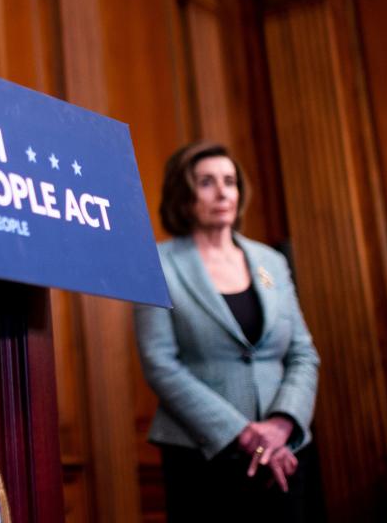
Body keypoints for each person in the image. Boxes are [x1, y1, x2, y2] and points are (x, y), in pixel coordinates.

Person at [134, 141, 320, 522]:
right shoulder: (157, 263)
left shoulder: (271, 261)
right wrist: (245, 433)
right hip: (202, 456)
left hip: (284, 453)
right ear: (184, 196)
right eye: (206, 182)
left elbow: (302, 353)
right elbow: (160, 364)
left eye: (229, 181)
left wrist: (282, 425)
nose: (222, 192)